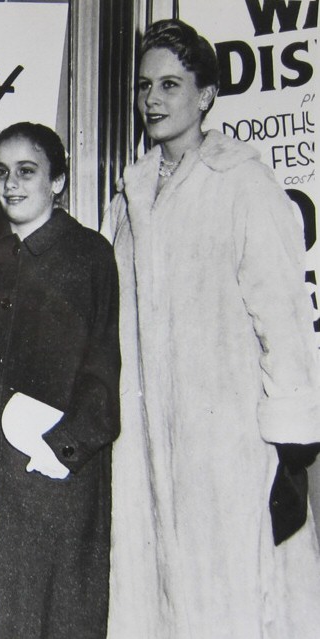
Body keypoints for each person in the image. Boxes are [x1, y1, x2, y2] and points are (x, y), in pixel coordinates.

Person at [102, 19, 320, 638]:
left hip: (227, 443)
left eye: (171, 84)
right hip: (144, 441)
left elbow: (283, 317)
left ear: (205, 96)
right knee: (150, 594)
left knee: (230, 596)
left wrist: (289, 448)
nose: (153, 100)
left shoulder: (244, 185)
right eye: (145, 86)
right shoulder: (129, 197)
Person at [0, 122, 119, 639]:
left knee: (48, 613)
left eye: (27, 171)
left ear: (58, 180)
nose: (11, 185)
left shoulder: (88, 255)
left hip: (51, 475)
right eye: (2, 173)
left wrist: (64, 447)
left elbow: (102, 369)